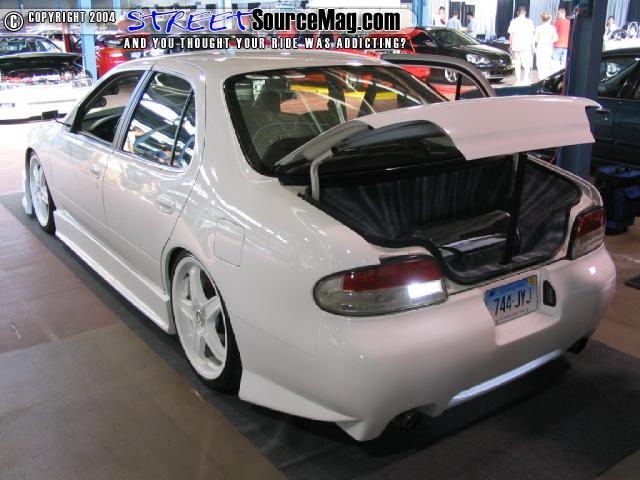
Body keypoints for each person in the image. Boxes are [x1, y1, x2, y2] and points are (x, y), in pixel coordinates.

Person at [508, 6, 535, 85]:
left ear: (517, 13)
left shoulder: (513, 21)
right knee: (527, 64)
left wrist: (510, 45)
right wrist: (533, 45)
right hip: (526, 46)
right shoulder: (529, 22)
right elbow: (531, 35)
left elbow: (511, 34)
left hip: (516, 46)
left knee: (517, 64)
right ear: (525, 13)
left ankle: (518, 80)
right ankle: (525, 79)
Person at [535, 12, 558, 80]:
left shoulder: (539, 27)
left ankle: (540, 77)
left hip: (540, 46)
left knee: (540, 62)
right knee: (547, 62)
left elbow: (535, 39)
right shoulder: (552, 28)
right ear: (550, 18)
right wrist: (550, 41)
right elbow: (556, 38)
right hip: (548, 47)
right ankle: (546, 77)